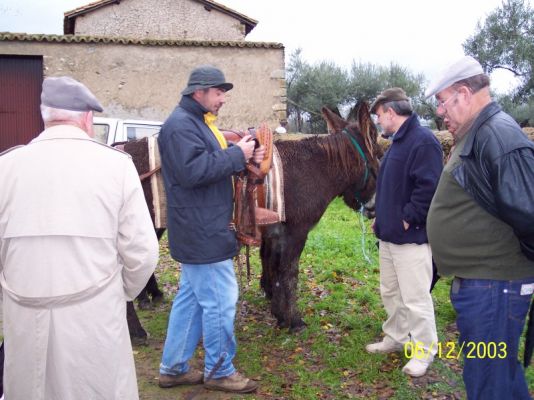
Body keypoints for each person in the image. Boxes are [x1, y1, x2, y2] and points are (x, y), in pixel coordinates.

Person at [0, 76, 159, 399]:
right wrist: (116, 292)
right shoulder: (116, 166)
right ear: (88, 118)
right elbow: (142, 252)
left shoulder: (6, 167)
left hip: (24, 316)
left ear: (45, 116)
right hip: (94, 316)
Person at [426, 56, 534, 400]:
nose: (440, 112)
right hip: (488, 287)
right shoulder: (480, 133)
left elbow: (530, 213)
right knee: (499, 374)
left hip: (496, 288)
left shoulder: (497, 136)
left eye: (442, 102)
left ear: (463, 93)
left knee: (489, 381)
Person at [158, 65, 263, 393]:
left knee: (190, 299)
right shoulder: (180, 126)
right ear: (198, 92)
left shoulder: (194, 123)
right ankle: (219, 370)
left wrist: (241, 153)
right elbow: (193, 172)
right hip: (202, 230)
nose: (222, 99)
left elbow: (206, 166)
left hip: (200, 227)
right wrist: (236, 154)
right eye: (218, 92)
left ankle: (173, 368)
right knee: (220, 300)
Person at [366, 87, 443, 377]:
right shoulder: (398, 141)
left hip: (410, 239)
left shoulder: (423, 142)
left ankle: (424, 351)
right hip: (389, 237)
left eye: (379, 116)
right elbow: (394, 188)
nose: (378, 121)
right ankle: (397, 338)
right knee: (391, 291)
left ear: (390, 112)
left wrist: (407, 219)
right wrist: (382, 219)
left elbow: (429, 188)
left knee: (415, 297)